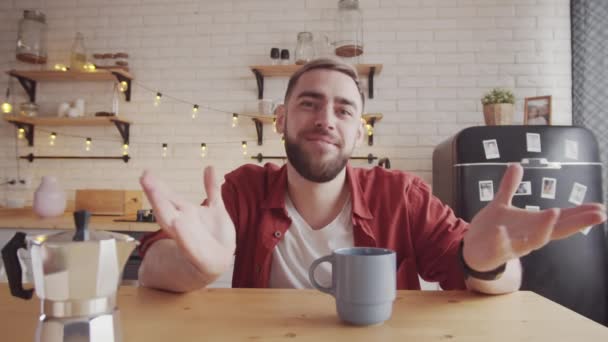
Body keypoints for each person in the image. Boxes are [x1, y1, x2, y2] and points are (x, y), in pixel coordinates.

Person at [137, 58, 606, 294]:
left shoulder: (403, 195)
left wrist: (488, 265)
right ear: (280, 119)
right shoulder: (242, 188)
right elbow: (154, 269)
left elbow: (491, 280)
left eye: (343, 109)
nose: (326, 118)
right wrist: (194, 266)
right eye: (308, 103)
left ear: (358, 135)